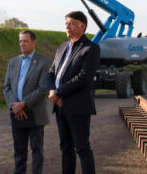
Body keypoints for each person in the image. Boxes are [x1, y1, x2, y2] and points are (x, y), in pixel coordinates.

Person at [47, 11, 100, 174]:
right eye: (66, 23)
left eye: (72, 23)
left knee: (82, 148)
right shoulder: (62, 47)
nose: (67, 27)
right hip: (60, 106)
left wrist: (59, 92)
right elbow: (51, 72)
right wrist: (52, 92)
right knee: (66, 148)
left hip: (77, 106)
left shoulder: (91, 48)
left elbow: (84, 77)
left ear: (82, 26)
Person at [3, 30, 51, 174]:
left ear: (34, 42)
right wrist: (15, 106)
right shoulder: (12, 62)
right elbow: (6, 87)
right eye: (20, 41)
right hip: (16, 113)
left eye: (25, 41)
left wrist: (22, 104)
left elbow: (43, 88)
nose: (22, 44)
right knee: (19, 152)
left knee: (37, 151)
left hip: (35, 113)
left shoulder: (44, 62)